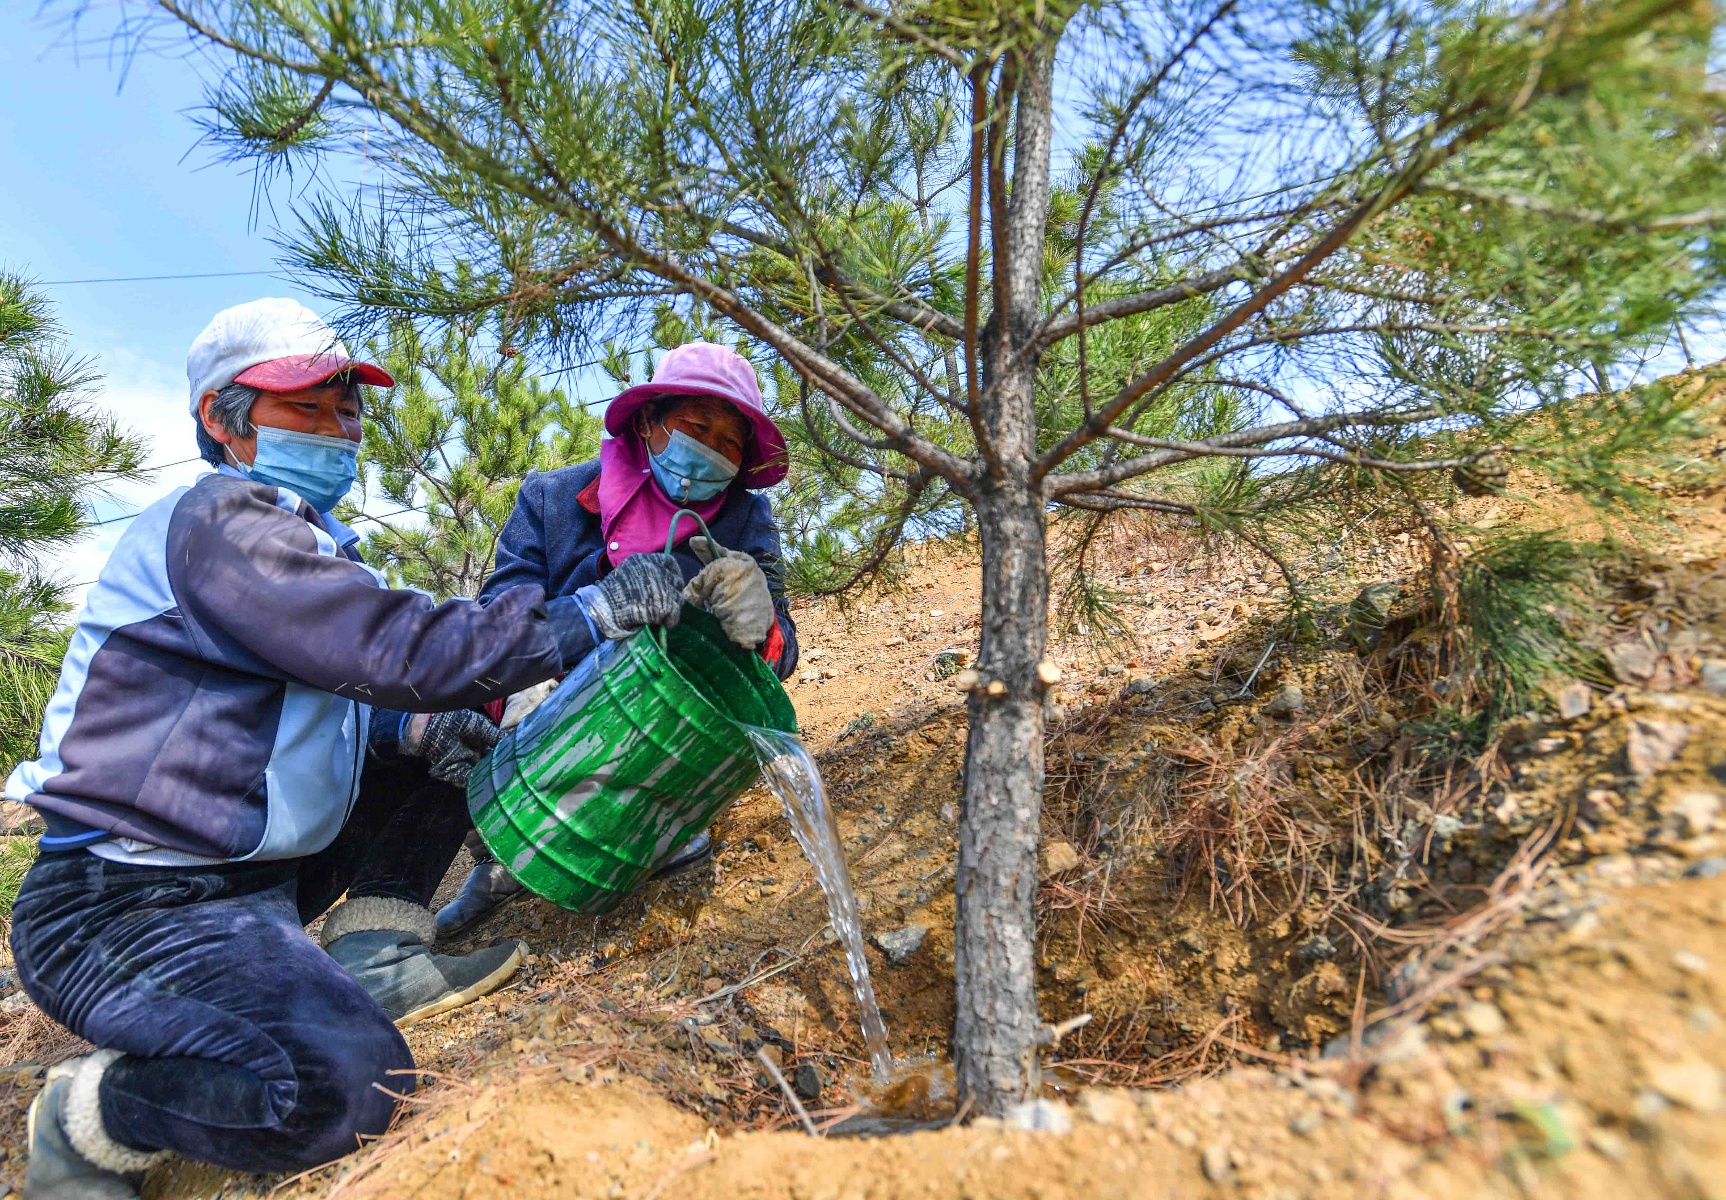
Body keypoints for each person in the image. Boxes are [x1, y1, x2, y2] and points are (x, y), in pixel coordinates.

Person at [6, 299, 689, 1198]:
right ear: (222, 419)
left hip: (250, 881)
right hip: (125, 906)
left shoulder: (309, 541)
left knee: (449, 733)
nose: (339, 428)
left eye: (347, 408)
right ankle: (98, 1113)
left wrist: (413, 728)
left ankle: (376, 950)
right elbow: (400, 649)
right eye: (306, 407)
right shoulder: (222, 524)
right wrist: (590, 610)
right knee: (353, 1085)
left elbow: (321, 705)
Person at [434, 341, 800, 939]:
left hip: (667, 723)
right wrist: (557, 657)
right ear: (649, 422)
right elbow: (500, 621)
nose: (710, 449)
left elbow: (778, 654)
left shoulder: (744, 520)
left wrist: (760, 624)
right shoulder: (552, 500)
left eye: (730, 442)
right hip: (548, 700)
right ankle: (501, 855)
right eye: (695, 426)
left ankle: (660, 824)